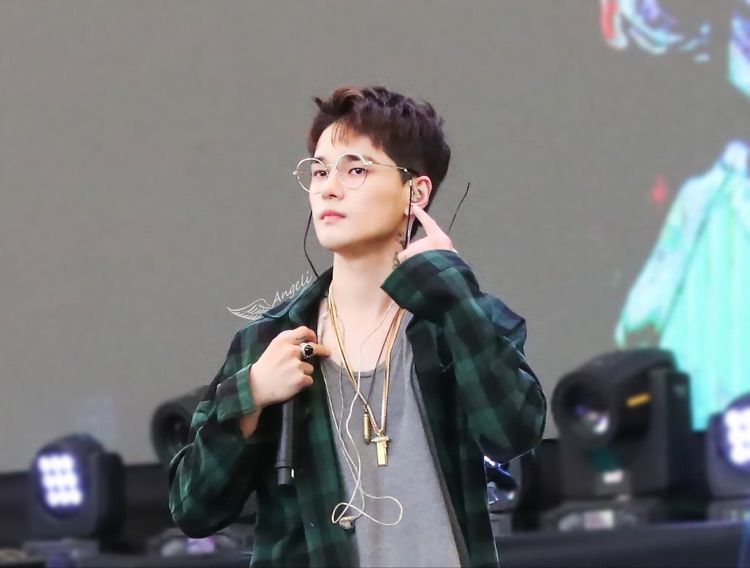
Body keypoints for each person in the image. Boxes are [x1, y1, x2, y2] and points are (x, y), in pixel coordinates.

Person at [168, 85, 547, 567]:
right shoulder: (271, 341)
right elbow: (194, 509)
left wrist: (453, 295)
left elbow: (513, 433)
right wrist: (252, 394)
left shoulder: (462, 320)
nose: (328, 187)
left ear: (416, 191)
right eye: (320, 171)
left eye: (356, 170)